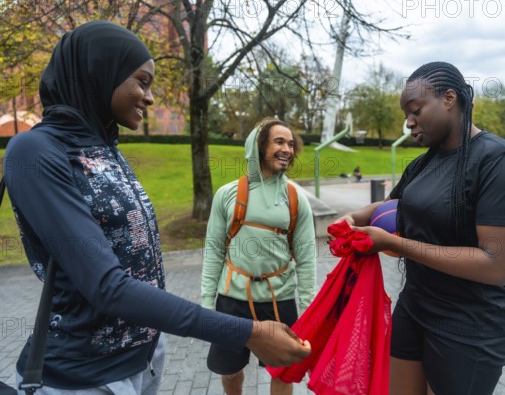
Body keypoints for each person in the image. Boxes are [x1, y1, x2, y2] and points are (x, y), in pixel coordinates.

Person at [3, 21, 309, 394]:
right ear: (100, 73)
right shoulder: (34, 152)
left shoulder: (108, 150)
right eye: (141, 81)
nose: (149, 97)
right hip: (82, 376)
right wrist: (246, 331)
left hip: (146, 359)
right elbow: (107, 287)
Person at [336, 62, 505, 395]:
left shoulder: (499, 163)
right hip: (415, 307)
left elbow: (495, 266)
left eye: (415, 110)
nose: (408, 122)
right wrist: (355, 217)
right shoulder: (424, 162)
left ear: (448, 98)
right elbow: (392, 206)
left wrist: (397, 245)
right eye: (406, 114)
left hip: (469, 326)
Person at [201, 117, 317, 395]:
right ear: (258, 145)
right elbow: (214, 250)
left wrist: (309, 307)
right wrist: (206, 303)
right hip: (232, 300)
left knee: (282, 372)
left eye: (291, 143)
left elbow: (307, 257)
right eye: (279, 141)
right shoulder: (227, 194)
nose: (287, 149)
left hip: (280, 301)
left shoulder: (296, 198)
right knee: (228, 371)